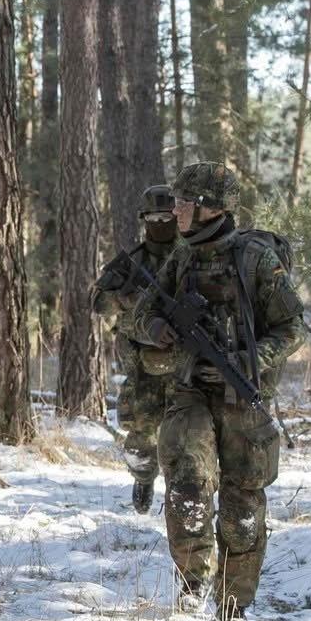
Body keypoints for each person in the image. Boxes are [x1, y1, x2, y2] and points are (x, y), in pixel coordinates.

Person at [125, 162, 303, 621]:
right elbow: (137, 318)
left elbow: (292, 329)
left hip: (243, 397)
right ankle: (190, 587)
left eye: (184, 202)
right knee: (186, 487)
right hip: (190, 394)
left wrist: (249, 360)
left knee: (243, 507)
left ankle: (233, 604)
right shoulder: (181, 259)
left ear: (209, 208)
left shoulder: (256, 260)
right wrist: (159, 328)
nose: (175, 211)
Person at [94, 185, 179, 513]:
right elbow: (98, 301)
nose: (161, 223)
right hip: (141, 364)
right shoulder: (132, 262)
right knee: (141, 434)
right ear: (144, 220)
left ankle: (182, 490)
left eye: (167, 217)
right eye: (154, 217)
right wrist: (128, 299)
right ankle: (143, 478)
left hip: (184, 360)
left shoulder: (190, 258)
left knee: (187, 433)